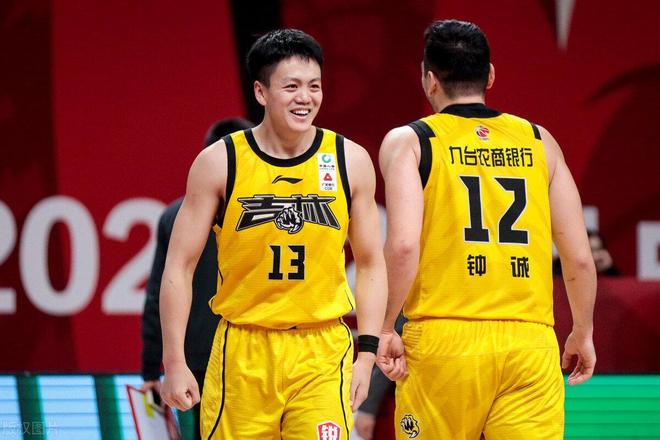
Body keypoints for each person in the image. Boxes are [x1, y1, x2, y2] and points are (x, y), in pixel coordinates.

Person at [159, 29, 388, 439]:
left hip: (321, 351)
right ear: (261, 92)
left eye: (314, 86)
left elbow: (371, 262)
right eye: (292, 86)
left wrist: (367, 355)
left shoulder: (350, 160)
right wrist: (174, 361)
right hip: (244, 350)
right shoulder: (219, 162)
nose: (306, 97)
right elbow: (179, 265)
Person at [377, 19, 597, 439]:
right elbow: (580, 259)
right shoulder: (539, 140)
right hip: (529, 341)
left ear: (429, 80)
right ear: (490, 75)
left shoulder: (411, 140)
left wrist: (385, 328)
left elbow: (403, 246)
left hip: (444, 340)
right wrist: (582, 332)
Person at [140, 118, 253, 440]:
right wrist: (154, 368)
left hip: (207, 358)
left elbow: (156, 293)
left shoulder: (174, 214)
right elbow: (163, 288)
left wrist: (151, 370)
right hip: (240, 355)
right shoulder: (263, 211)